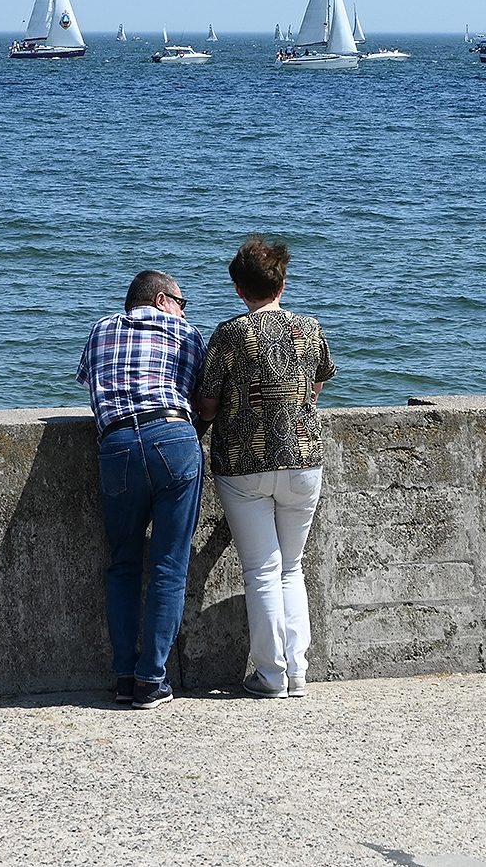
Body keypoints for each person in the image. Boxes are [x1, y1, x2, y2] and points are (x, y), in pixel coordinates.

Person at [194, 236, 336, 698]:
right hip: (303, 458)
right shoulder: (309, 328)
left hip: (243, 463)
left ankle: (270, 675)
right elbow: (316, 387)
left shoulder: (228, 334)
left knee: (261, 569)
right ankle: (296, 673)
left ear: (238, 288)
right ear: (283, 280)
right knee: (291, 567)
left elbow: (210, 406)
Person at [75, 270, 207, 711]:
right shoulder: (187, 334)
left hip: (116, 446)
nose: (185, 311)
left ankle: (124, 678)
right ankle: (152, 680)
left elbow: (90, 385)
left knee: (123, 564)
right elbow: (196, 395)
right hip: (172, 436)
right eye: (182, 302)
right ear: (162, 299)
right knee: (169, 565)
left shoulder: (100, 329)